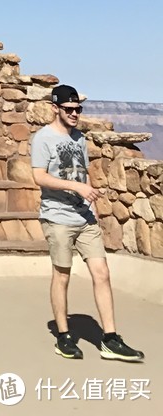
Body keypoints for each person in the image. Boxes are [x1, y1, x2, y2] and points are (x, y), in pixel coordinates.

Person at [31, 83, 144, 363]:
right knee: (62, 274)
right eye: (69, 109)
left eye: (78, 109)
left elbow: (84, 173)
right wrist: (75, 188)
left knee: (102, 272)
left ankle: (110, 338)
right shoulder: (43, 138)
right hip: (57, 215)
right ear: (55, 108)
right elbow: (39, 176)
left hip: (84, 216)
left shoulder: (80, 138)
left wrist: (90, 198)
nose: (74, 113)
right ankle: (64, 336)